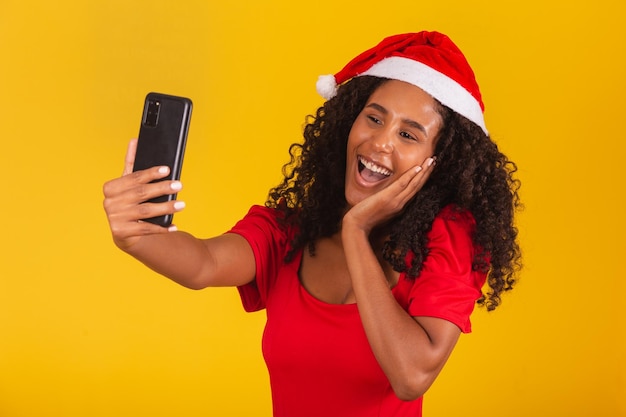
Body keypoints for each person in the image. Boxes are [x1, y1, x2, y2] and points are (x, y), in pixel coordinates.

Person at [103, 31, 522, 417]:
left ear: (439, 164)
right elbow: (203, 264)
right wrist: (136, 233)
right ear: (348, 123)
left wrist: (355, 233)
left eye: (409, 135)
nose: (380, 142)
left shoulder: (446, 246)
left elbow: (412, 376)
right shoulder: (290, 232)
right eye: (374, 118)